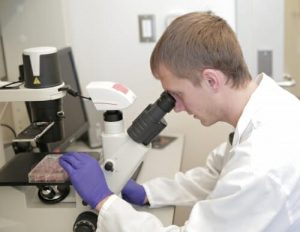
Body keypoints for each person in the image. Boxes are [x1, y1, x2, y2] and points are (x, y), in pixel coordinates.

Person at [59, 12, 300, 231]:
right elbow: (216, 175)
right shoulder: (268, 107)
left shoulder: (261, 161)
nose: (176, 107)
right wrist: (147, 193)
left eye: (178, 95)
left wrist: (105, 203)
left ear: (211, 80)